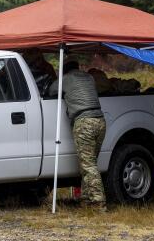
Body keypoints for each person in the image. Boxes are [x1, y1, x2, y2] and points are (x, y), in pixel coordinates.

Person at [49, 55, 107, 211]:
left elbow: (51, 90)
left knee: (88, 165)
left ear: (65, 69)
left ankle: (98, 202)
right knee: (89, 163)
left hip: (84, 122)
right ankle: (86, 199)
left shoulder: (66, 79)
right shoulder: (89, 77)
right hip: (100, 120)